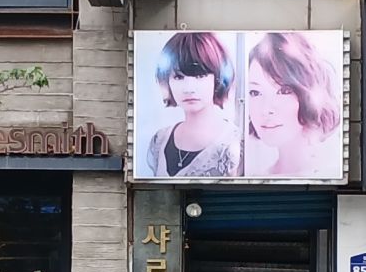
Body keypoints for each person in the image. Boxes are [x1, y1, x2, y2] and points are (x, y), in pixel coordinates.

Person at [240, 31, 343, 178]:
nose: (266, 109)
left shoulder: (331, 172)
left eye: (283, 91)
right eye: (255, 92)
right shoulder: (257, 175)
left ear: (307, 94)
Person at [142, 33, 238, 178]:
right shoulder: (159, 140)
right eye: (179, 77)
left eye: (200, 76)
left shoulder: (235, 143)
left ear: (218, 78)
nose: (189, 88)